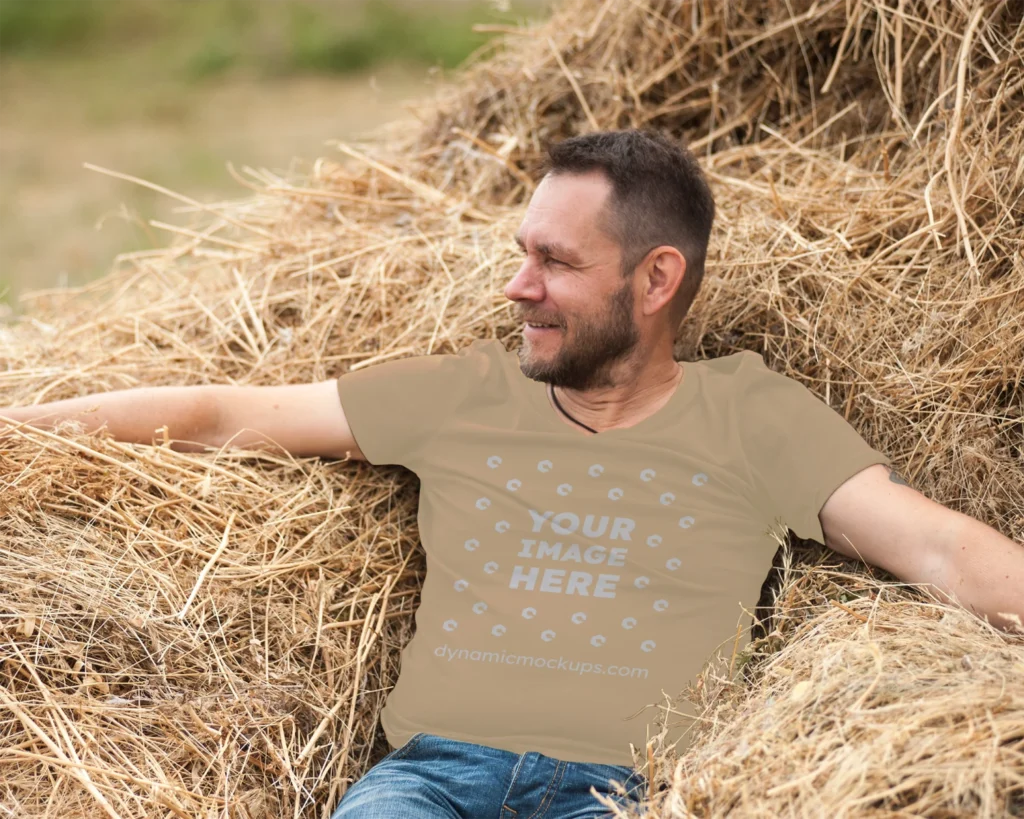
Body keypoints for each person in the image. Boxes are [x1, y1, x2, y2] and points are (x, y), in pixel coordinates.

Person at [2, 129, 1021, 819]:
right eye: (520, 253)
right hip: (431, 782)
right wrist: (20, 427)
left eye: (555, 263)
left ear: (656, 278)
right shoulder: (462, 396)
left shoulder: (752, 417)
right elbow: (224, 416)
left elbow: (931, 541)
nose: (516, 286)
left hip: (621, 792)